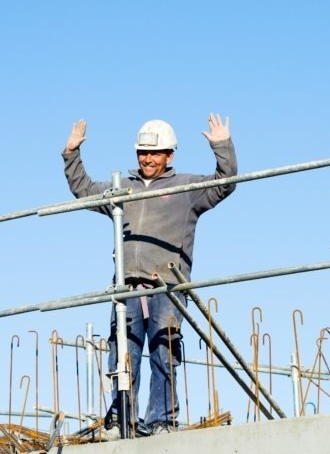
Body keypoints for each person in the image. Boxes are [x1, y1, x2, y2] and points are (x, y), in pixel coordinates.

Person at [62, 114, 237, 435]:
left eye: (155, 153)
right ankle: (122, 421)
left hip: (167, 287)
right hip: (127, 287)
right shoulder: (121, 188)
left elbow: (225, 183)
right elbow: (84, 190)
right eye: (142, 152)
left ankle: (161, 421)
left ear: (170, 155)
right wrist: (72, 153)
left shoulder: (187, 188)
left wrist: (222, 146)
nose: (148, 158)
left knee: (163, 352)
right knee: (122, 356)